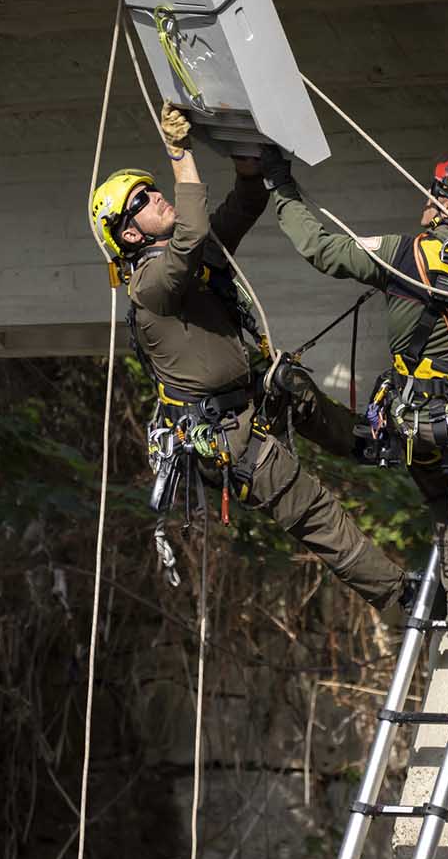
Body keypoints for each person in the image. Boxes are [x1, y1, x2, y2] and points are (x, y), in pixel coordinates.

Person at [261, 146, 448, 697]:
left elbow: (319, 248)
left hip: (410, 426)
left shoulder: (400, 254)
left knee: (446, 519)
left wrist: (280, 186)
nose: (426, 198)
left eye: (436, 191)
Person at [90, 103, 412, 616]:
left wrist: (248, 171)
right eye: (142, 200)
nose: (156, 196)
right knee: (314, 509)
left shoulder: (189, 263)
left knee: (292, 387)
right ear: (130, 234)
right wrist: (179, 154)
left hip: (245, 401)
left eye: (152, 189)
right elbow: (193, 232)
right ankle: (400, 595)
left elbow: (238, 211)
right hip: (226, 437)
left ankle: (372, 444)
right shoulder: (151, 285)